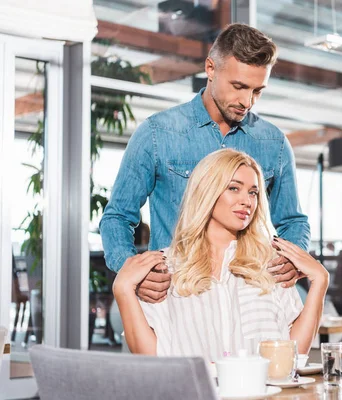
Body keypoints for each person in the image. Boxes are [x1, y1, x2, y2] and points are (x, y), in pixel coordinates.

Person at [100, 23, 310, 304]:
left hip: (247, 301)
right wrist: (131, 270)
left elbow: (293, 220)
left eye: (258, 91)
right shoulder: (156, 134)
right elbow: (117, 217)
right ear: (210, 69)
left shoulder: (273, 143)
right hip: (174, 298)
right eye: (239, 86)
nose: (247, 102)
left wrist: (291, 258)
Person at [113, 150, 328, 359]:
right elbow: (150, 356)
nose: (247, 201)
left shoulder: (270, 264)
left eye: (253, 192)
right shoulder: (166, 266)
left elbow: (294, 354)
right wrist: (123, 290)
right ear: (207, 191)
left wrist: (320, 281)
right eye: (234, 188)